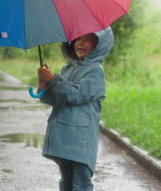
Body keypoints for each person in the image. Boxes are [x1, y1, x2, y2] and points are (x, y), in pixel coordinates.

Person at [37, 27, 114, 191]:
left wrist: (54, 80)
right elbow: (52, 99)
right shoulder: (67, 69)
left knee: (81, 182)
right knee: (66, 180)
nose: (80, 43)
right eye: (78, 38)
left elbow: (76, 95)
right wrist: (44, 84)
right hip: (64, 135)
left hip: (81, 139)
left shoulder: (95, 71)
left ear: (99, 45)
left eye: (87, 39)